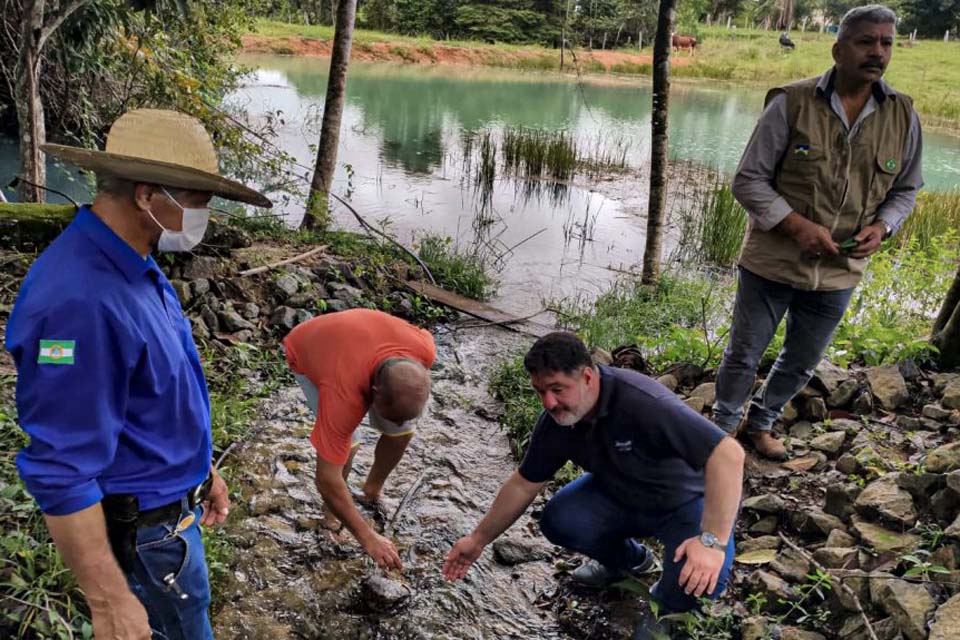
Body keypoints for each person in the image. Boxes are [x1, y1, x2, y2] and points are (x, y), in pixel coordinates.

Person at [6, 108, 271, 639]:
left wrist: (200, 472)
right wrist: (109, 601)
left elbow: (152, 396)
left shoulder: (133, 261)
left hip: (172, 513)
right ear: (150, 197)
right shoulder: (78, 302)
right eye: (198, 203)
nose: (204, 217)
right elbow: (61, 466)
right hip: (148, 540)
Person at [713, 4, 922, 460]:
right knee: (744, 355)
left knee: (803, 360)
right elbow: (748, 180)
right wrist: (796, 225)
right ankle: (721, 430)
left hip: (840, 268)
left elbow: (906, 188)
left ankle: (761, 422)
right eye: (866, 41)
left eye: (886, 43)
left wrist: (884, 226)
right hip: (772, 260)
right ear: (838, 48)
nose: (878, 52)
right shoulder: (791, 101)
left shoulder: (903, 114)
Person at [443, 333, 744, 637]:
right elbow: (524, 483)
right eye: (540, 391)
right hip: (620, 494)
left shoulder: (642, 402)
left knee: (699, 580)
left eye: (557, 389)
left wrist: (711, 541)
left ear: (587, 376)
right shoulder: (557, 421)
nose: (549, 402)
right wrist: (477, 540)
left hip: (686, 504)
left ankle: (666, 607)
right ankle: (629, 562)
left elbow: (728, 454)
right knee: (561, 520)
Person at [282, 309, 435, 572]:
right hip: (307, 347)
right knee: (346, 448)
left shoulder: (424, 350)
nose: (395, 421)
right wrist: (368, 537)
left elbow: (400, 415)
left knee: (401, 432)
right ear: (372, 394)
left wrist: (397, 420)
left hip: (362, 345)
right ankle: (330, 518)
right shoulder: (342, 393)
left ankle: (372, 489)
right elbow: (326, 478)